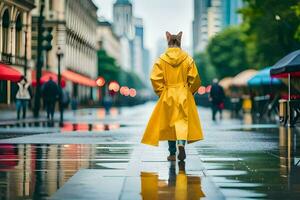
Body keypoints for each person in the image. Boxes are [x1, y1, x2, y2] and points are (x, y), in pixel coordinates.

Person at [141, 31, 204, 161]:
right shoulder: (188, 58)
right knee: (182, 122)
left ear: (168, 40)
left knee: (170, 124)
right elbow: (195, 78)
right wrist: (191, 91)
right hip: (183, 93)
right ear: (180, 41)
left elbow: (154, 78)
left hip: (168, 93)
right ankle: (181, 144)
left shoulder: (161, 59)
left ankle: (172, 153)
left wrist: (161, 92)